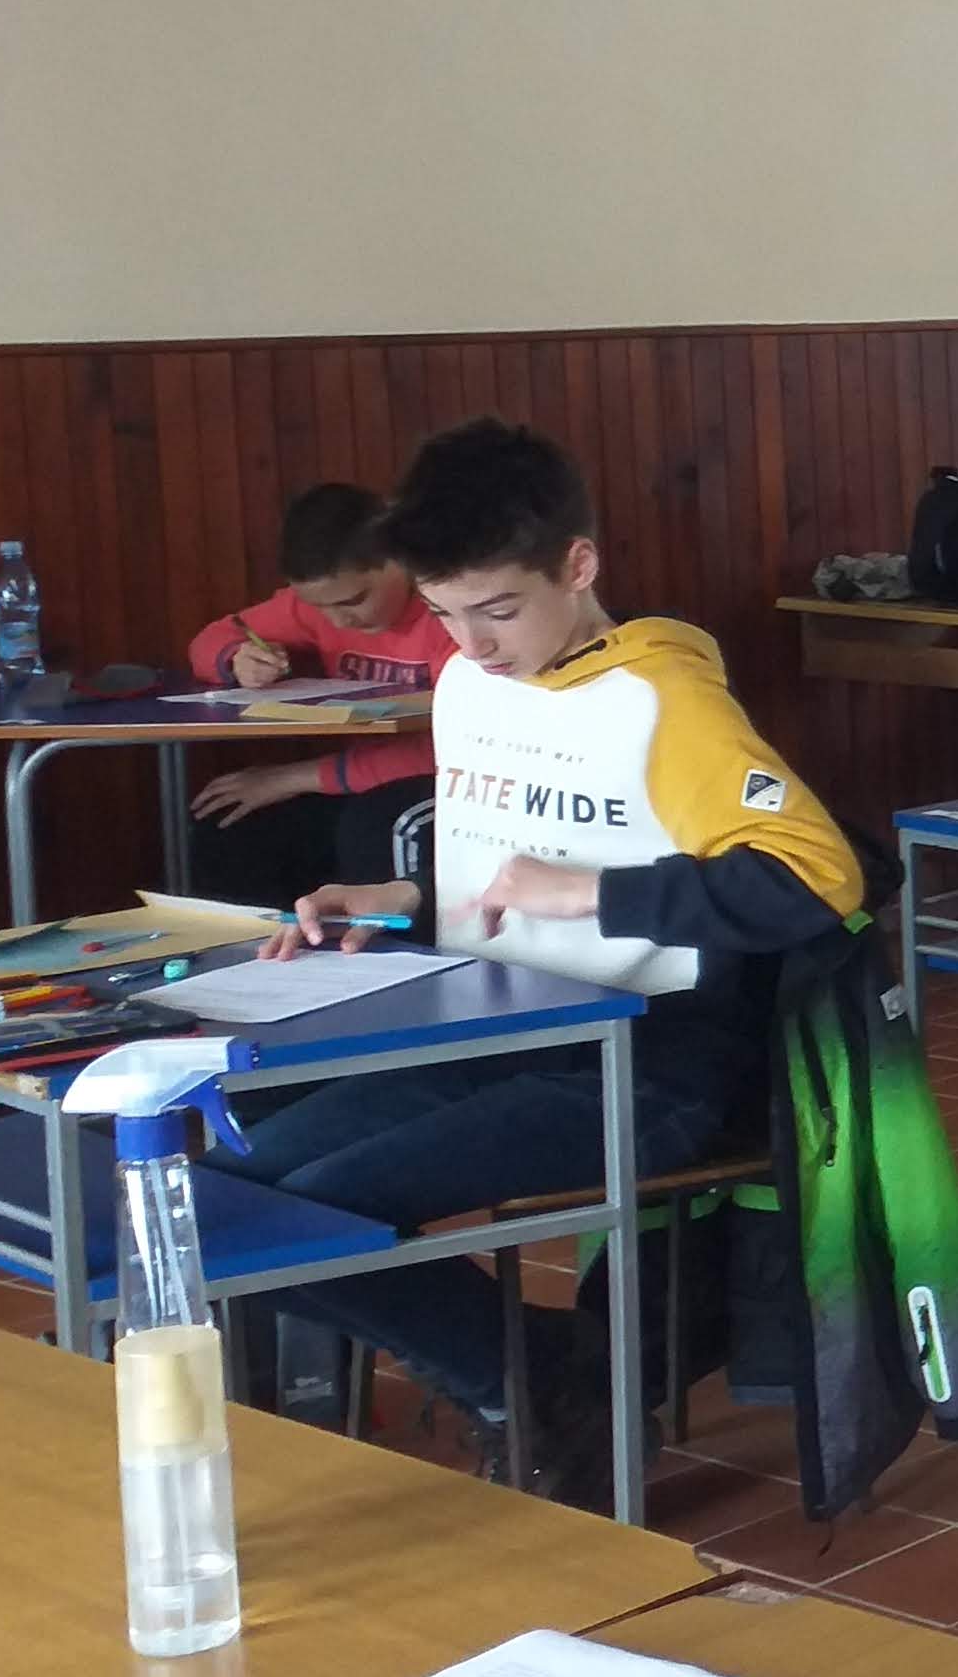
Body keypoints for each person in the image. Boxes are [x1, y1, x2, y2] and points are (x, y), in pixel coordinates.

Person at [231, 421, 864, 1505]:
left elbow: (819, 878)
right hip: (491, 1024)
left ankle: (523, 1384)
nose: (472, 644)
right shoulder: (474, 684)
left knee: (318, 1209)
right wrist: (402, 899)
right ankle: (542, 1368)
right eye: (444, 613)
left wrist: (595, 894)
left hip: (646, 1062)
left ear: (578, 566)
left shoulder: (667, 701)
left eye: (498, 609)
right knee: (227, 1200)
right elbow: (516, 854)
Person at [181, 483, 453, 910]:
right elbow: (211, 638)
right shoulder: (315, 607)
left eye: (355, 600)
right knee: (230, 820)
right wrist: (236, 658)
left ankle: (381, 947)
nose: (338, 620)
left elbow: (449, 745)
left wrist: (293, 777)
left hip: (444, 777)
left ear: (401, 560)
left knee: (372, 824)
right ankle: (267, 947)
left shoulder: (450, 610)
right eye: (319, 608)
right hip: (356, 776)